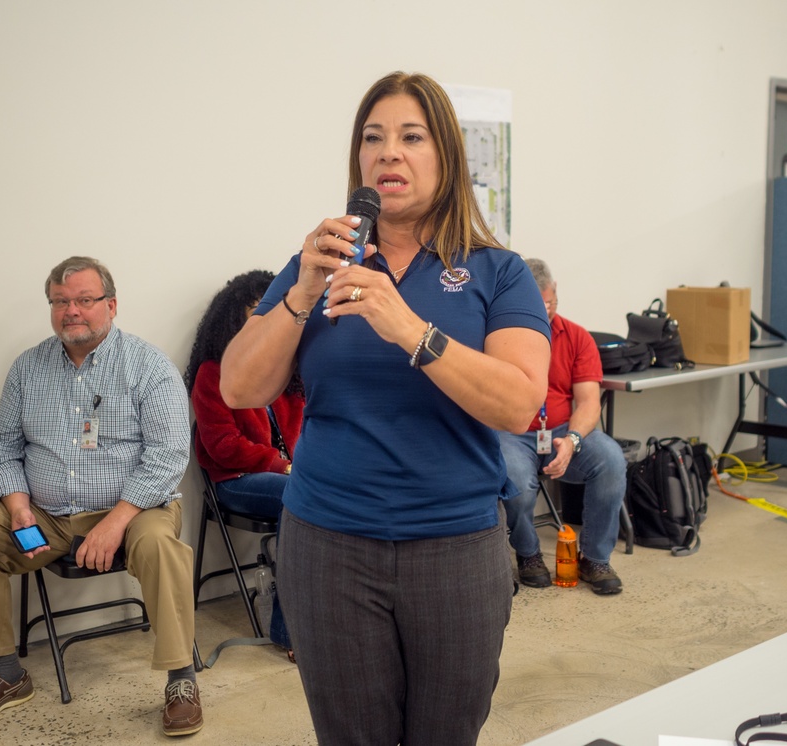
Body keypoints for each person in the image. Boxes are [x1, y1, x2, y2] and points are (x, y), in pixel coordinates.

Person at [219, 72, 551, 746]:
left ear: (447, 156)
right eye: (372, 139)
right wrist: (303, 290)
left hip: (455, 549)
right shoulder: (318, 263)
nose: (387, 153)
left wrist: (410, 329)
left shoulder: (497, 270)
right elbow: (238, 388)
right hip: (327, 546)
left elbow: (519, 404)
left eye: (410, 137)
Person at [0, 256, 203, 737]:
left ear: (112, 304)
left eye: (84, 300)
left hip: (136, 508)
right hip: (46, 513)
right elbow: (1, 447)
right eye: (60, 302)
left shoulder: (149, 366)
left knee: (162, 547)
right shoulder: (28, 368)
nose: (72, 311)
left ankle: (181, 681)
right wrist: (18, 508)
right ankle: (4, 673)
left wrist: (114, 522)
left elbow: (168, 456)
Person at [184, 269, 304, 655]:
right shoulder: (212, 373)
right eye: (256, 311)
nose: (265, 320)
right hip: (236, 479)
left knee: (336, 494)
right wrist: (281, 464)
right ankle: (292, 635)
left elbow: (310, 431)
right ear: (232, 319)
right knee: (300, 499)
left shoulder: (289, 369)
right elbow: (223, 446)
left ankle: (334, 614)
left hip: (293, 476)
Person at [498, 258, 626, 595]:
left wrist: (572, 439)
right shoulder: (498, 334)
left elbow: (588, 403)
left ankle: (595, 558)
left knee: (611, 460)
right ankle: (528, 554)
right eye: (537, 304)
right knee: (514, 480)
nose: (546, 311)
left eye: (551, 303)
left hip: (561, 432)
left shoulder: (576, 337)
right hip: (513, 433)